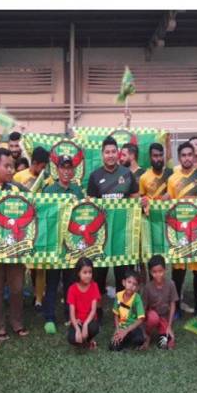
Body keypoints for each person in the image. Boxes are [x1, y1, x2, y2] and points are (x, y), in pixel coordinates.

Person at [86, 136, 139, 318]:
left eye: (113, 152)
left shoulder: (127, 174)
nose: (110, 155)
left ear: (118, 153)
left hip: (123, 236)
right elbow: (91, 207)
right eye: (106, 152)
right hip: (101, 237)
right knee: (99, 276)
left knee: (122, 278)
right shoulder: (95, 176)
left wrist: (144, 202)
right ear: (102, 155)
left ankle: (122, 315)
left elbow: (135, 201)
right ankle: (98, 313)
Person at [0, 148, 30, 341]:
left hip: (16, 248)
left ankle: (17, 323)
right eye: (7, 166)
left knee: (17, 288)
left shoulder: (19, 189)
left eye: (12, 166)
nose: (11, 170)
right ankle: (0, 327)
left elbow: (37, 204)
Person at [166, 141, 197, 315]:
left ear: (194, 156)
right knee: (178, 272)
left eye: (189, 155)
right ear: (179, 158)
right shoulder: (172, 178)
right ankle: (175, 307)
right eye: (183, 155)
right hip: (179, 231)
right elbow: (169, 202)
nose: (186, 158)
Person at [42, 154, 84, 334]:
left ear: (73, 170)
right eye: (63, 168)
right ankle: (49, 317)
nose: (66, 171)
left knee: (70, 282)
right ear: (57, 169)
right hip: (53, 245)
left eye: (69, 168)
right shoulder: (49, 191)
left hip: (72, 246)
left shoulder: (77, 191)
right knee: (51, 282)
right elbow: (43, 217)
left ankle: (69, 315)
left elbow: (84, 214)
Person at [13, 146, 50, 308]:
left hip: (41, 226)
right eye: (42, 166)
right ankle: (18, 296)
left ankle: (39, 299)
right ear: (34, 163)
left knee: (40, 264)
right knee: (21, 263)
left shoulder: (47, 179)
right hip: (22, 227)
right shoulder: (19, 177)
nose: (44, 170)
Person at [142, 255, 178, 350]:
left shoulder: (171, 284)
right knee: (153, 318)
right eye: (154, 272)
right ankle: (148, 335)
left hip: (164, 318)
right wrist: (143, 328)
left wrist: (169, 326)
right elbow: (143, 308)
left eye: (160, 271)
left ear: (165, 270)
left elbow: (173, 304)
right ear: (150, 272)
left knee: (166, 344)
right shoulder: (147, 287)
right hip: (151, 316)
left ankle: (163, 332)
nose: (158, 274)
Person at [67, 257, 100, 349]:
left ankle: (89, 340)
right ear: (78, 273)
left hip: (89, 321)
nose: (88, 275)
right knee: (72, 338)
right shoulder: (72, 289)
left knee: (94, 328)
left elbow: (93, 310)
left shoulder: (94, 286)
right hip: (77, 321)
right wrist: (77, 329)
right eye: (85, 272)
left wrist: (85, 324)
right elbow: (72, 314)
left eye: (90, 272)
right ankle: (85, 341)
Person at [109, 269, 145, 351]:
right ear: (124, 282)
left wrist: (126, 331)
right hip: (121, 327)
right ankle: (123, 341)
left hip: (132, 327)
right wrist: (117, 330)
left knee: (139, 339)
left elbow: (141, 319)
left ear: (137, 288)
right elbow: (116, 315)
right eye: (129, 282)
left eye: (134, 284)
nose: (131, 286)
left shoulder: (137, 298)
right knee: (112, 347)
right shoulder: (118, 295)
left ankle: (126, 340)